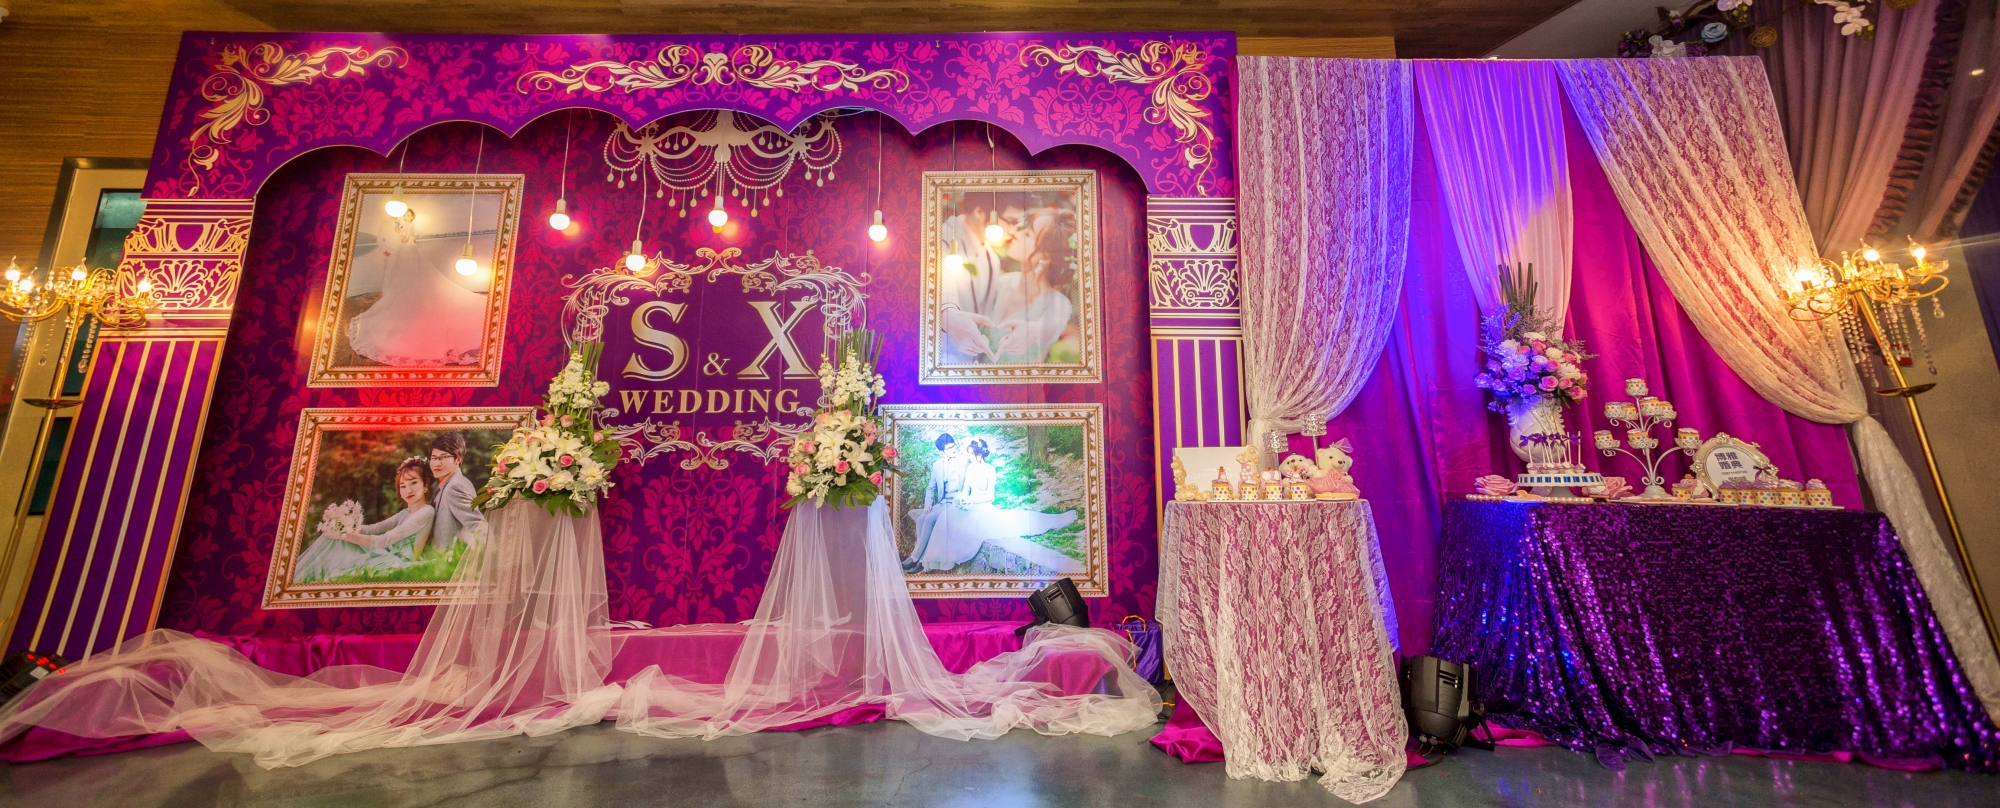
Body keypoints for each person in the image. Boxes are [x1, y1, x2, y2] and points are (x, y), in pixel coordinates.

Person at [346, 206, 488, 367]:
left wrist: (400, 230)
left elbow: (405, 239)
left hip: (408, 251)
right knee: (406, 275)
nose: (406, 217)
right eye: (405, 215)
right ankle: (406, 294)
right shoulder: (401, 224)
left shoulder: (408, 225)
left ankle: (411, 296)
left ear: (411, 218)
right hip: (406, 252)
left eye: (408, 216)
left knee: (412, 275)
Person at [912, 438, 1081, 573]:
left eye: (971, 454)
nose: (969, 457)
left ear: (979, 455)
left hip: (982, 507)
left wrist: (973, 501)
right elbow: (965, 490)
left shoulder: (989, 470)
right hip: (969, 505)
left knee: (1003, 523)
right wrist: (962, 499)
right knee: (947, 517)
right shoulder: (970, 469)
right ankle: (932, 560)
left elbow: (990, 496)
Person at [294, 457, 438, 583]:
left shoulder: (426, 512)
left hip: (397, 563)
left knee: (339, 542)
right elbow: (370, 529)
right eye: (403, 486)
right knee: (333, 539)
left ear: (425, 484)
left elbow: (383, 540)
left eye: (414, 483)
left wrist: (342, 535)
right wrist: (341, 527)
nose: (409, 490)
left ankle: (302, 579)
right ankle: (302, 577)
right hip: (386, 555)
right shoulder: (404, 513)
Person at [935, 201, 1007, 365]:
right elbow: (941, 281)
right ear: (979, 211)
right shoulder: (942, 236)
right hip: (938, 356)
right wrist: (949, 313)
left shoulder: (992, 257)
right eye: (1010, 221)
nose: (1014, 230)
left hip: (970, 360)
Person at [903, 433, 969, 572]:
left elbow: (970, 483)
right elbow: (931, 487)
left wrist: (965, 499)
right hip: (943, 502)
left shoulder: (964, 461)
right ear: (941, 451)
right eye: (949, 448)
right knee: (921, 518)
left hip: (956, 503)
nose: (953, 450)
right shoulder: (937, 465)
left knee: (929, 520)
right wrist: (928, 504)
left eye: (953, 446)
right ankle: (922, 560)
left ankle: (916, 558)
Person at [428, 432, 483, 552]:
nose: (437, 463)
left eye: (443, 457)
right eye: (434, 458)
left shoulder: (456, 486)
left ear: (458, 459)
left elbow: (479, 527)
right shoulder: (444, 485)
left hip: (450, 560)